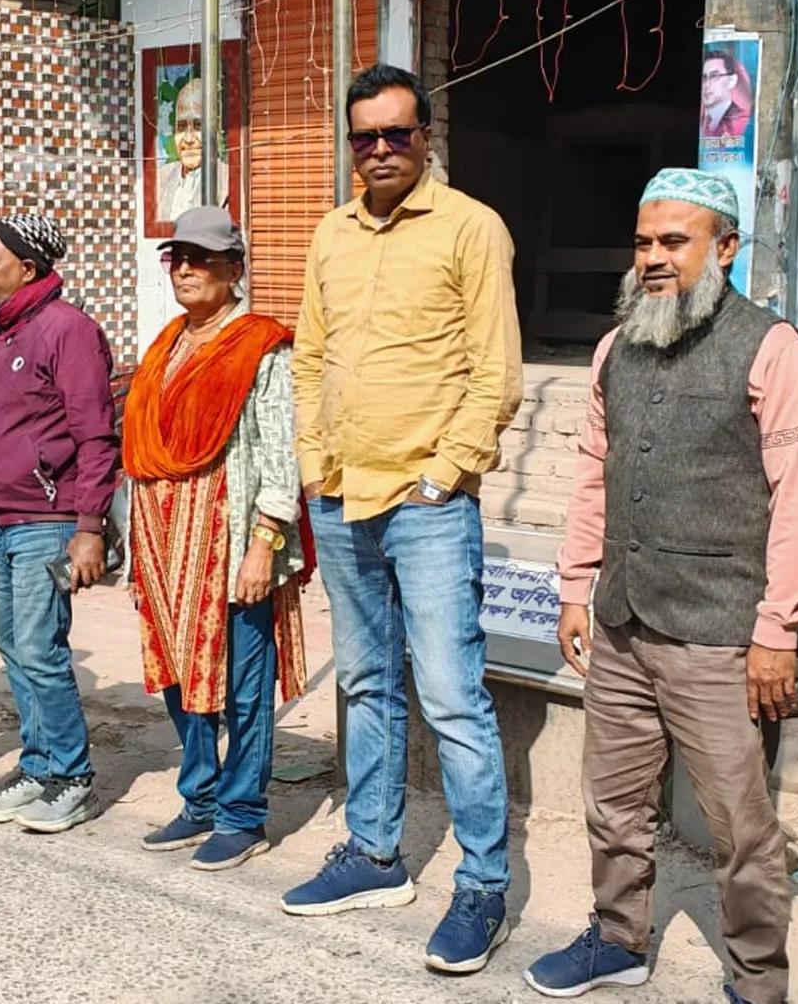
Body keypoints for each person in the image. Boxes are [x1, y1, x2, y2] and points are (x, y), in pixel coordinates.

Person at [528, 169, 798, 1003]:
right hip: (623, 621)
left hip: (722, 635)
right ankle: (618, 938)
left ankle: (756, 981)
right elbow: (595, 473)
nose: (654, 259)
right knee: (613, 804)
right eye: (643, 243)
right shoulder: (614, 348)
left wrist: (779, 628)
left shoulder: (773, 348)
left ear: (725, 247)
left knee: (741, 828)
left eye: (675, 241)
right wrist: (573, 585)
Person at [283, 64, 522, 976]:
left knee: (453, 697)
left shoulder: (470, 228)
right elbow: (309, 358)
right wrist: (313, 470)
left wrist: (443, 474)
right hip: (342, 495)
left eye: (397, 134)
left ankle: (483, 886)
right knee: (367, 685)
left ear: (427, 138)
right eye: (365, 137)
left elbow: (496, 372)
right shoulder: (330, 235)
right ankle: (376, 855)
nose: (380, 150)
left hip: (425, 503)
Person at [126, 206, 308, 871]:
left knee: (244, 683)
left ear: (235, 269)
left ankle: (242, 814)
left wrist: (265, 541)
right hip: (165, 543)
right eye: (178, 257)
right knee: (178, 676)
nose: (187, 269)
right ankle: (199, 795)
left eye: (202, 258)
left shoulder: (261, 346)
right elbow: (145, 448)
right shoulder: (168, 343)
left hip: (229, 543)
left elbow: (281, 453)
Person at [0, 212, 118, 834]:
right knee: (14, 646)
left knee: (40, 648)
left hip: (50, 519)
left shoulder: (69, 330)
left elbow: (96, 433)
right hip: (5, 519)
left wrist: (90, 526)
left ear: (26, 268)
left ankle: (72, 778)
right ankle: (37, 768)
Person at [155, 79, 229, 226]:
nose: (188, 139)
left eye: (198, 126)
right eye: (181, 127)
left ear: (216, 130)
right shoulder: (161, 179)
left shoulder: (228, 181)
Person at [701, 51, 750, 141]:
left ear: (731, 81)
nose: (706, 84)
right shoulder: (702, 120)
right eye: (704, 77)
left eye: (714, 76)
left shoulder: (740, 119)